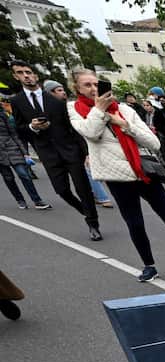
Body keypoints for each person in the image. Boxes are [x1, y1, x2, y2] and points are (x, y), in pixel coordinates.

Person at [67, 70, 165, 283]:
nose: (93, 89)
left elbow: (153, 142)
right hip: (117, 177)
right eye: (87, 85)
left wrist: (126, 126)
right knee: (135, 224)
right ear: (78, 89)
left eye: (96, 84)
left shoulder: (125, 110)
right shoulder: (75, 110)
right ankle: (149, 266)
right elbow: (90, 132)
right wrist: (100, 110)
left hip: (144, 172)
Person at [8, 59, 100, 239]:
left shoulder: (56, 100)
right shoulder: (17, 101)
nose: (25, 76)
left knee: (83, 189)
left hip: (70, 150)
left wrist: (85, 153)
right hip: (48, 154)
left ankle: (93, 223)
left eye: (28, 72)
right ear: (16, 76)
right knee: (62, 191)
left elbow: (72, 128)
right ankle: (85, 211)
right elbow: (19, 129)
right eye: (20, 73)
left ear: (35, 75)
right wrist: (33, 127)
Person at [0, 96, 49, 209]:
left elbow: (13, 134)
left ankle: (37, 201)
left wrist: (24, 152)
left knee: (24, 175)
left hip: (12, 148)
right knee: (8, 178)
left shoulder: (2, 114)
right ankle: (20, 200)